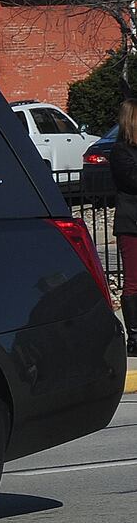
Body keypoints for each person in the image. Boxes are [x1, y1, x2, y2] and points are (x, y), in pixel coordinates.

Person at [110, 100, 137, 355]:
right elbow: (131, 182)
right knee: (133, 282)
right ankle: (135, 337)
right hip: (132, 223)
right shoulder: (121, 152)